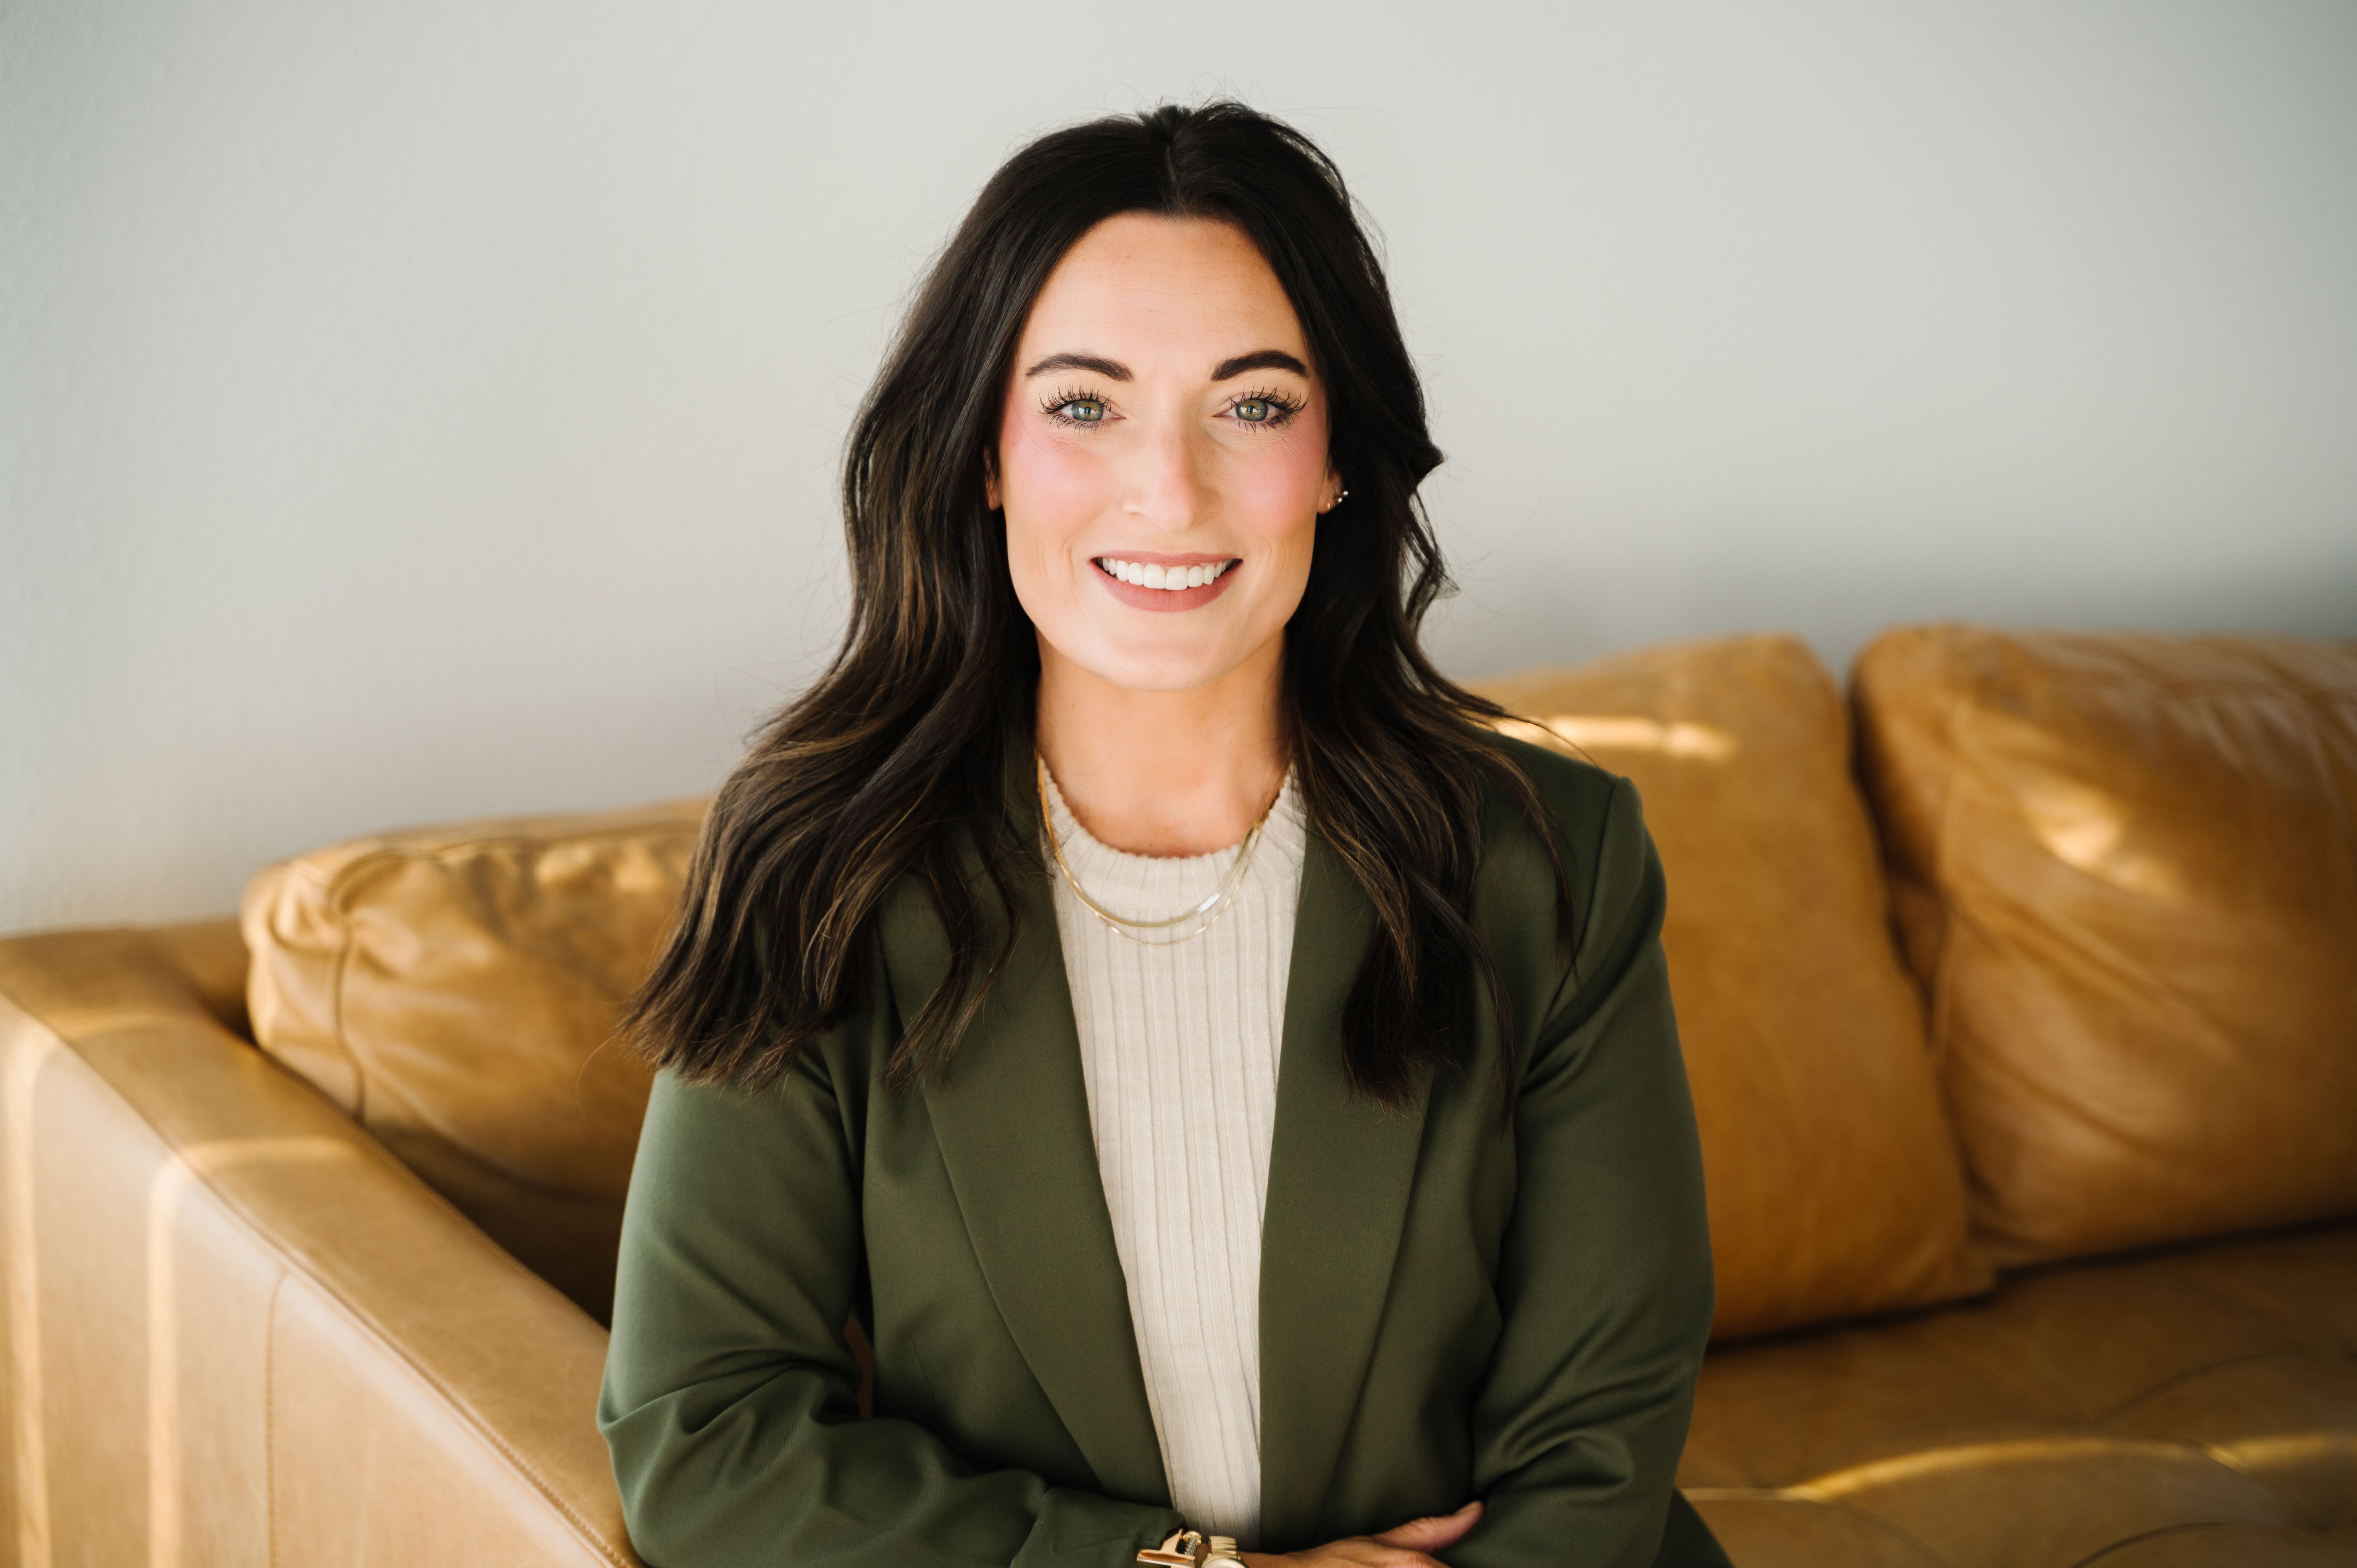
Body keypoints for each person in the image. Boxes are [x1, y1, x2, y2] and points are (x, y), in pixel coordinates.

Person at [598, 102, 1732, 1568]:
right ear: (984, 453)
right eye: (1084, 405)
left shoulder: (1550, 860)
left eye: (1252, 405)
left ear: (1336, 456)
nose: (1170, 490)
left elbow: (1597, 1435)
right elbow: (703, 1435)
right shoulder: (816, 871)